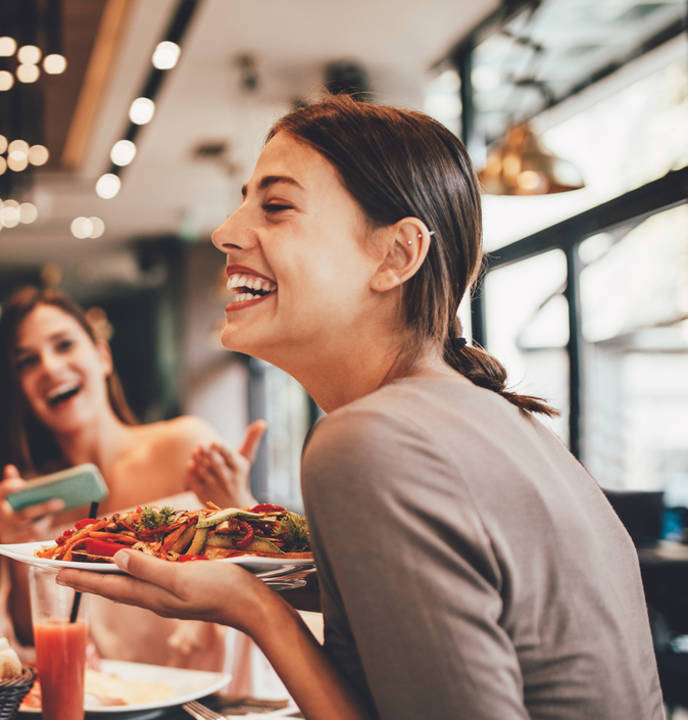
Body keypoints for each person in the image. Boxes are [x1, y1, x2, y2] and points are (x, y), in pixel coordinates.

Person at [57, 95, 664, 720]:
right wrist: (264, 564)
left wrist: (255, 608)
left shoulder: (370, 439)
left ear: (397, 255)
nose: (226, 232)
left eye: (276, 206)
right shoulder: (498, 420)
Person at [0, 287, 266, 682]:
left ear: (102, 356)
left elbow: (260, 594)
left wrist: (241, 506)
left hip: (215, 699)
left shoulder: (184, 447)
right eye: (27, 361)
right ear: (18, 390)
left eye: (64, 345)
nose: (50, 367)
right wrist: (18, 560)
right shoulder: (33, 506)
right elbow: (30, 644)